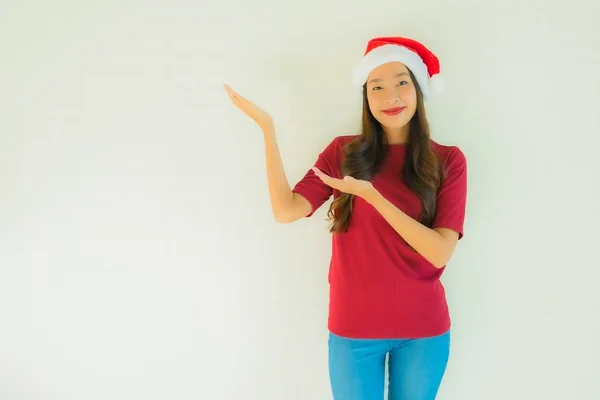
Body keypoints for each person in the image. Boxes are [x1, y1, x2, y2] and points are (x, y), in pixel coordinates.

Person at [224, 36, 467, 400]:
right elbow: (287, 210)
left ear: (418, 89)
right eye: (377, 87)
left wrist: (373, 197)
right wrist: (268, 129)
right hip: (353, 329)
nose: (390, 97)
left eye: (402, 82)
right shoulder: (343, 152)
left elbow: (439, 252)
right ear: (366, 98)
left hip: (424, 332)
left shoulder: (448, 160)